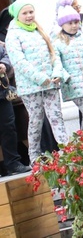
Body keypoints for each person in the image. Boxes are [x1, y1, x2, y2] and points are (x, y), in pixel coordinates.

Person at [5, 1, 69, 161]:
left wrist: (56, 72)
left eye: (31, 12)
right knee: (36, 119)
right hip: (31, 87)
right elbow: (18, 61)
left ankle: (66, 151)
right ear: (17, 15)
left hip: (51, 83)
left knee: (56, 116)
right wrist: (40, 78)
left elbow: (53, 53)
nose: (29, 16)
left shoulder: (39, 30)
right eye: (25, 13)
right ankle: (34, 156)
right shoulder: (13, 34)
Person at [0, 43, 31, 175]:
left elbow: (5, 56)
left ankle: (13, 163)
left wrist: (3, 64)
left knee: (9, 128)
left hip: (2, 93)